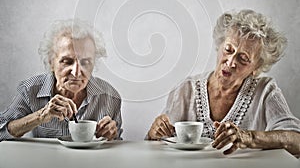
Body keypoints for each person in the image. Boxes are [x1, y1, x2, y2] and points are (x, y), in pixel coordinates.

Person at [147, 9, 300, 157]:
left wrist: (249, 138)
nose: (231, 61)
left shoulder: (265, 91)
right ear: (219, 46)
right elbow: (155, 145)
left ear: (257, 68)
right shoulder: (186, 89)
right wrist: (154, 133)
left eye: (243, 58)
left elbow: (296, 140)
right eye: (228, 49)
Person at [0, 19, 122, 141]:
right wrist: (40, 116)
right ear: (51, 62)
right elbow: (1, 131)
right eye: (67, 61)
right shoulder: (30, 89)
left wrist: (112, 136)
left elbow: (117, 146)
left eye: (85, 62)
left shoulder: (110, 96)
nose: (76, 72)